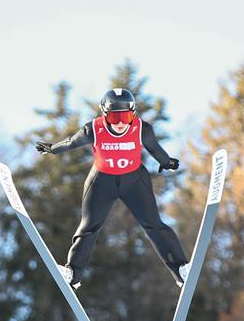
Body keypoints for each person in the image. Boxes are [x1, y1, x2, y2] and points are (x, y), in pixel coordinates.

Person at [36, 88, 190, 290]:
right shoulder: (94, 129)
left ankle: (180, 269)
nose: (119, 123)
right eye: (114, 116)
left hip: (134, 181)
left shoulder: (142, 128)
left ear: (133, 114)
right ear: (104, 114)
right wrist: (53, 148)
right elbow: (72, 142)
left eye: (125, 117)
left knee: (154, 224)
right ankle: (73, 274)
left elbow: (153, 147)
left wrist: (166, 161)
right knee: (88, 227)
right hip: (102, 182)